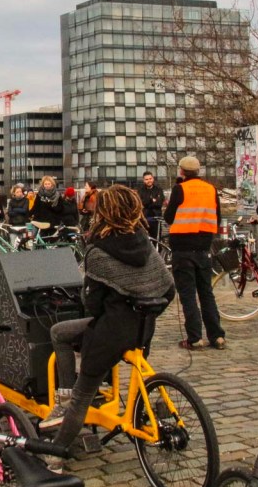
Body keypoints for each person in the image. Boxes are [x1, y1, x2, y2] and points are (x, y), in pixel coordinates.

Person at [43, 185, 176, 452]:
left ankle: (55, 451)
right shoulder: (144, 242)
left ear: (103, 212)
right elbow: (168, 288)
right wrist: (145, 308)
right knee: (139, 367)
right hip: (143, 328)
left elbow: (91, 304)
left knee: (62, 338)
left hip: (112, 333)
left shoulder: (98, 250)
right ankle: (164, 413)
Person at [164, 156, 226, 350]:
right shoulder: (210, 189)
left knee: (188, 294)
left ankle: (195, 338)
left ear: (181, 171)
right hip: (204, 247)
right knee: (206, 292)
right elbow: (218, 217)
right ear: (198, 171)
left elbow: (169, 217)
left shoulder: (179, 189)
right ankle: (217, 336)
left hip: (182, 248)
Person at [136, 171, 165, 240]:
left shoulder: (158, 190)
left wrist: (147, 202)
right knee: (144, 240)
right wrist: (151, 200)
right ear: (143, 180)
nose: (149, 181)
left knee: (157, 240)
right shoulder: (140, 191)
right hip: (144, 220)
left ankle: (157, 251)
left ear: (153, 179)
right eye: (147, 179)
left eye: (150, 178)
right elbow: (140, 203)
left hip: (156, 219)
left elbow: (159, 204)